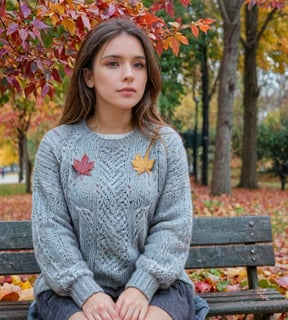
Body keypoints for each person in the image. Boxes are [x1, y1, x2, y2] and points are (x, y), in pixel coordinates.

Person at [28, 18, 208, 320]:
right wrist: (87, 293)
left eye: (138, 65)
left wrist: (141, 287)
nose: (128, 75)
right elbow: (50, 230)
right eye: (113, 64)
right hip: (70, 292)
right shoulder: (57, 146)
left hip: (158, 287)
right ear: (88, 77)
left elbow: (173, 225)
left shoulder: (164, 144)